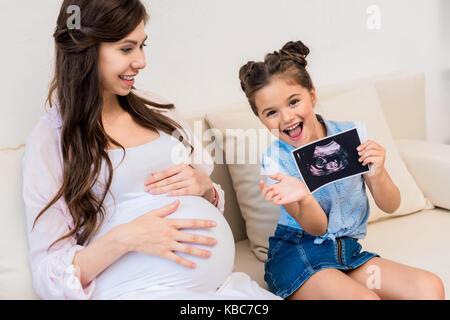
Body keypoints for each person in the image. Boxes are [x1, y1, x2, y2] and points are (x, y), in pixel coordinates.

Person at [23, 0, 279, 300]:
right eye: (126, 48)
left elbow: (206, 200)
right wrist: (125, 238)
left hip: (221, 288)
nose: (141, 61)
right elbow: (46, 275)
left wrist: (205, 188)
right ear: (86, 49)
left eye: (142, 46)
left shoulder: (159, 110)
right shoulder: (51, 139)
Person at [238, 40, 445, 300]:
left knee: (429, 287)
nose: (286, 118)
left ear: (312, 95)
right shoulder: (276, 161)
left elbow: (391, 204)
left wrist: (378, 171)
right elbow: (317, 228)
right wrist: (303, 196)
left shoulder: (349, 136)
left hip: (346, 251)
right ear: (260, 118)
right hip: (299, 255)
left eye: (293, 102)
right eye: (271, 113)